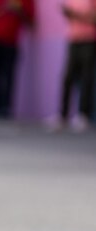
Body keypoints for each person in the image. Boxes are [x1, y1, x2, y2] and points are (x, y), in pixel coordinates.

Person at [0, 0, 35, 119]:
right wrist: (2, 9)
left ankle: (6, 108)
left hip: (11, 42)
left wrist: (18, 10)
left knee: (8, 75)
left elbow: (31, 22)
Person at [54, 0, 96, 132]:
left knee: (86, 78)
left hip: (89, 40)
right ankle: (63, 115)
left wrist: (77, 15)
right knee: (68, 78)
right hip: (74, 39)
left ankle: (83, 115)